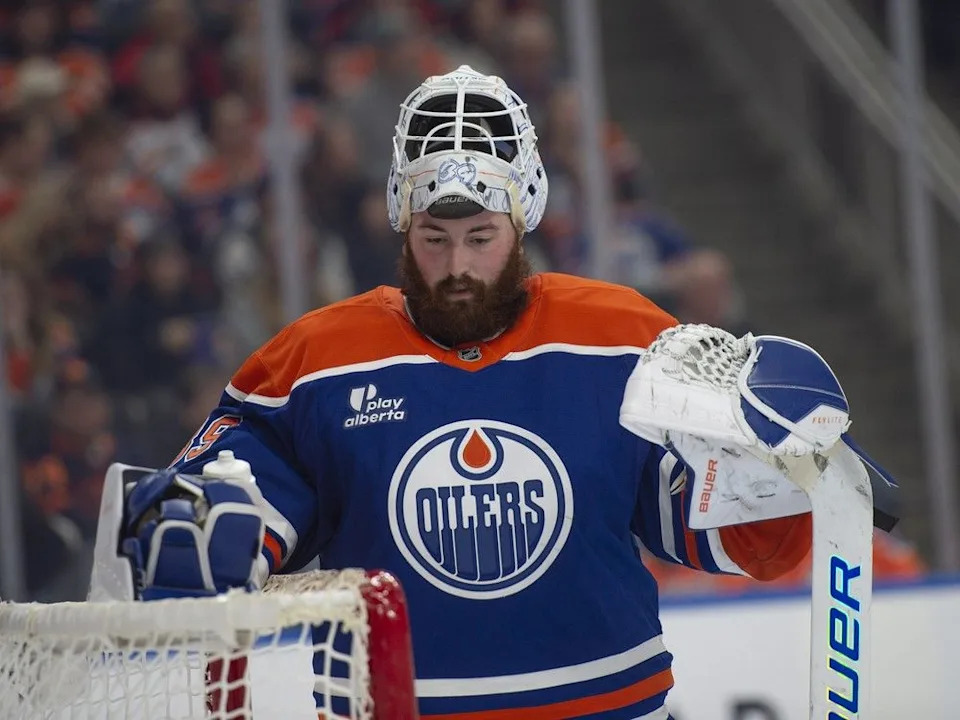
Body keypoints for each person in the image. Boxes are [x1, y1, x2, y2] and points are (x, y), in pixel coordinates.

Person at [108, 66, 892, 719]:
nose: (456, 266)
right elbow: (231, 498)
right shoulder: (315, 360)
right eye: (434, 238)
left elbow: (700, 524)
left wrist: (776, 473)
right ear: (399, 222)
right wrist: (204, 522)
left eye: (481, 238)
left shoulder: (624, 338)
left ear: (523, 220)